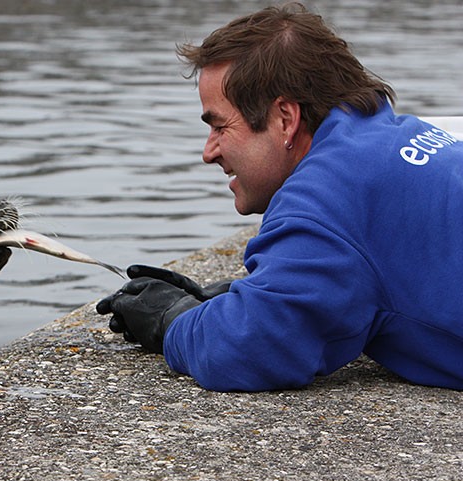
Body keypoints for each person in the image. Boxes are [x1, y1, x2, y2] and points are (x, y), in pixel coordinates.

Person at [96, 2, 463, 391]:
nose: (209, 152)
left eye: (220, 126)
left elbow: (247, 347)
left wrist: (172, 318)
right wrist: (248, 292)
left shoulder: (328, 198)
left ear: (285, 119)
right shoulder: (388, 136)